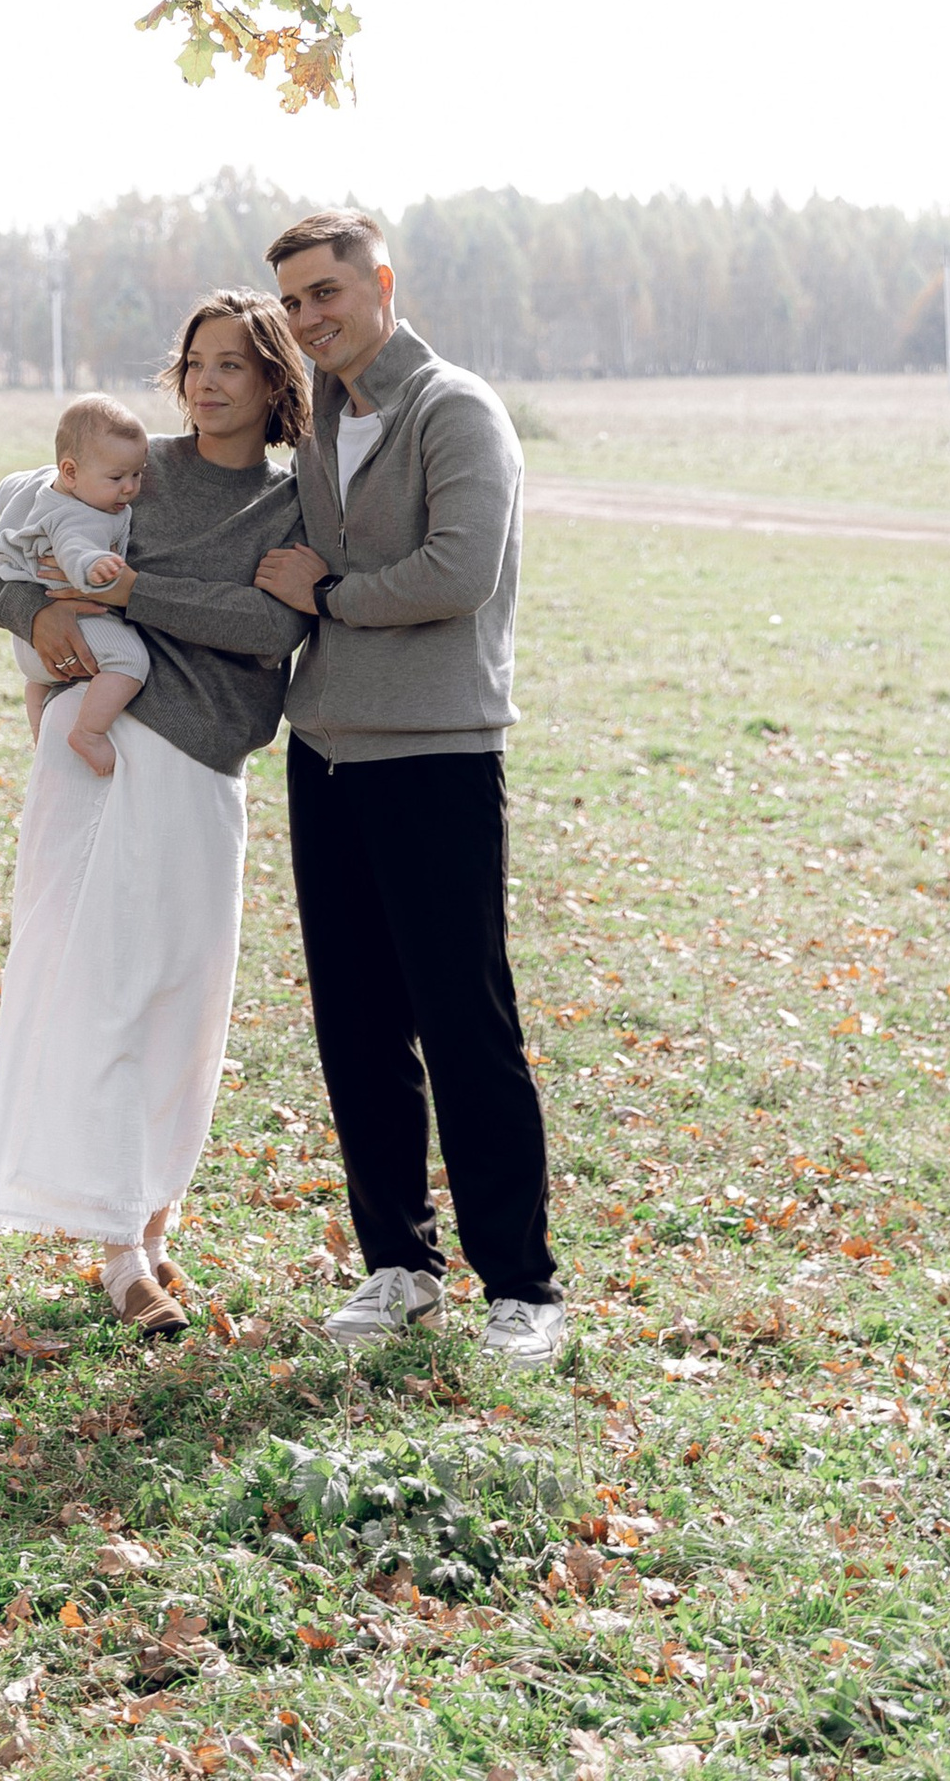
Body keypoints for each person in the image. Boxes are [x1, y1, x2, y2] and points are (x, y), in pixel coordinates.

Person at [251, 209, 568, 1370]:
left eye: (325, 293)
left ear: (381, 283)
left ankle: (523, 1288)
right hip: (324, 752)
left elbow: (458, 568)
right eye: (290, 302)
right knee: (357, 1025)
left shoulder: (456, 409)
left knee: (463, 1021)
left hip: (435, 750)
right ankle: (399, 1265)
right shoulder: (323, 418)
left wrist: (329, 593)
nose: (307, 318)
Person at [0, 292, 312, 1336]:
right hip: (98, 754)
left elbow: (268, 622)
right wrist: (44, 613)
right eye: (196, 362)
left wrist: (128, 596)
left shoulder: (287, 503)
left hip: (203, 762)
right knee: (96, 982)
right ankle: (121, 1248)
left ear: (272, 385)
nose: (208, 382)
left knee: (182, 993)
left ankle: (153, 1222)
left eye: (233, 367)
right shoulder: (128, 463)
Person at [0, 395, 155, 775]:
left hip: (30, 644)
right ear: (71, 471)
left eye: (136, 475)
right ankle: (89, 734)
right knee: (130, 661)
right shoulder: (84, 516)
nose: (128, 488)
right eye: (116, 478)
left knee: (36, 682)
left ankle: (38, 730)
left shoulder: (41, 486)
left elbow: (7, 487)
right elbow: (74, 548)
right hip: (75, 630)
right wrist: (96, 566)